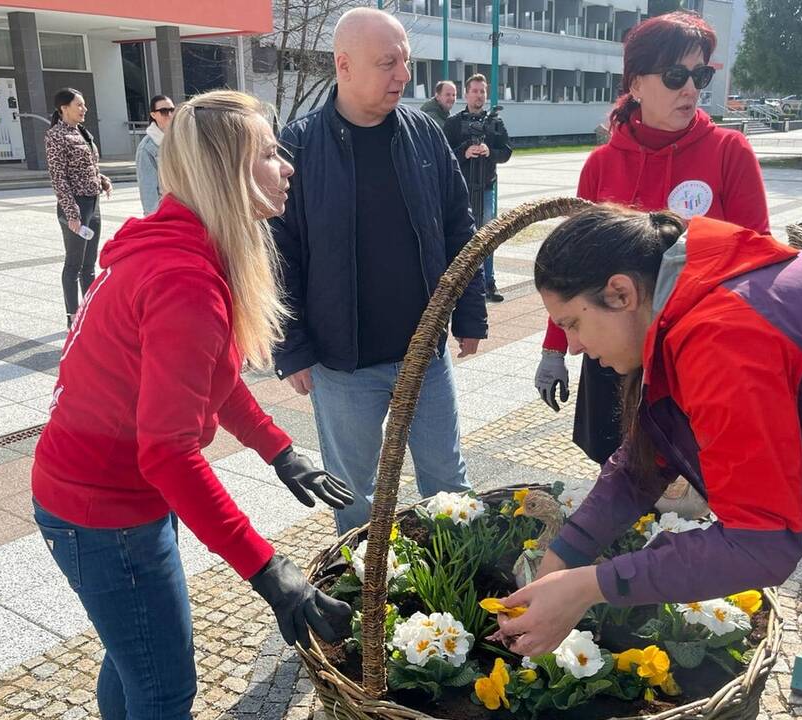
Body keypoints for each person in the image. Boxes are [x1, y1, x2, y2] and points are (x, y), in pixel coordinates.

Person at [495, 204, 802, 720]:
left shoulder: (722, 334)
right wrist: (565, 555)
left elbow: (762, 544)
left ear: (621, 292)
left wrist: (590, 587)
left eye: (573, 324)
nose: (571, 347)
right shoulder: (689, 298)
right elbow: (644, 460)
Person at [32, 90, 355, 719]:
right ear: (228, 173)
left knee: (132, 658)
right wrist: (267, 570)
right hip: (105, 507)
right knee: (163, 687)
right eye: (268, 154)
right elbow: (168, 453)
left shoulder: (181, 247)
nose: (287, 166)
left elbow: (211, 376)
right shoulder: (184, 279)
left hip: (100, 494)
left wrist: (281, 452)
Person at [270, 8, 487, 534]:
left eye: (406, 61)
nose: (403, 75)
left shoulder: (425, 136)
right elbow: (278, 256)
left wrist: (471, 312)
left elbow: (460, 226)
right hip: (342, 365)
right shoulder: (297, 146)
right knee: (354, 499)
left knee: (448, 487)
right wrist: (291, 347)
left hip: (425, 355)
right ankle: (366, 604)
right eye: (387, 62)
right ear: (343, 65)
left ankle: (457, 598)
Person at [533, 11, 769, 469]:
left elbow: (756, 262)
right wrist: (554, 349)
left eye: (700, 75)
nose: (691, 89)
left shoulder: (728, 152)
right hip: (616, 342)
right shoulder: (602, 164)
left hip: (697, 352)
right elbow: (574, 271)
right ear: (635, 84)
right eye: (675, 75)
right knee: (618, 468)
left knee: (691, 476)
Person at [45, 88, 112, 329]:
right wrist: (72, 214)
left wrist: (102, 179)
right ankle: (72, 316)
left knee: (89, 263)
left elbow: (88, 165)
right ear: (64, 108)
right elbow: (59, 178)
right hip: (76, 205)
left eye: (84, 105)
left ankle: (90, 310)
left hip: (92, 203)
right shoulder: (56, 135)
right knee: (73, 263)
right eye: (79, 105)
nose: (84, 109)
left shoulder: (82, 132)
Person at [443, 73, 513, 302]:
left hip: (486, 188)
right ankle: (458, 285)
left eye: (482, 91)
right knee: (462, 236)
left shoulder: (495, 122)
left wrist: (489, 152)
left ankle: (487, 283)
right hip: (461, 191)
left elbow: (507, 152)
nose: (479, 95)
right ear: (466, 93)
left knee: (487, 237)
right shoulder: (453, 123)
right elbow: (444, 157)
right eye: (474, 91)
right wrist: (465, 151)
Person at [135, 94, 176, 214]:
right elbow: (148, 189)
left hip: (189, 206)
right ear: (153, 115)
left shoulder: (182, 139)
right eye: (163, 111)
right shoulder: (147, 148)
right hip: (167, 210)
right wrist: (153, 219)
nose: (169, 115)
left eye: (172, 110)